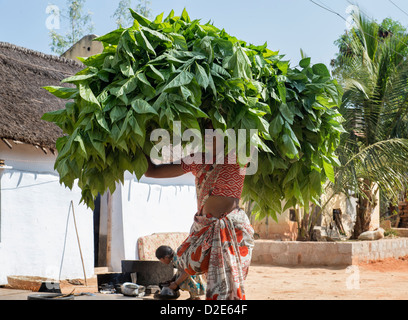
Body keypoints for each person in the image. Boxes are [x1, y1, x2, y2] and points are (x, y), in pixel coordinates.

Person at [145, 129, 255, 300]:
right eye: (206, 131)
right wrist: (140, 141)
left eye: (216, 130)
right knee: (186, 260)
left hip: (233, 228)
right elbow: (150, 171)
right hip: (204, 228)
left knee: (228, 282)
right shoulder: (197, 159)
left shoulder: (239, 156)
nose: (210, 136)